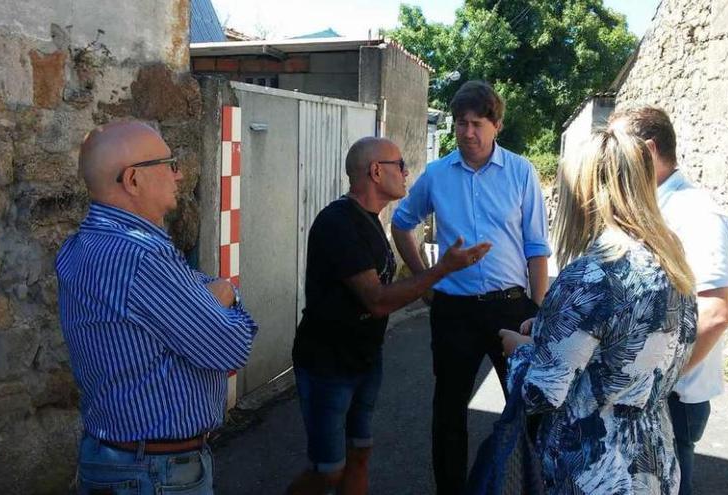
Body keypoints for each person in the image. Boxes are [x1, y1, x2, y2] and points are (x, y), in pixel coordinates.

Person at [56, 121, 258, 494]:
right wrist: (226, 292)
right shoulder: (141, 256)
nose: (179, 174)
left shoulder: (81, 245)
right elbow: (231, 347)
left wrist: (201, 300)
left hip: (117, 459)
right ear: (133, 180)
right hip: (155, 473)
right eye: (168, 163)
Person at [498, 126, 698, 494]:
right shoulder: (672, 261)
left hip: (592, 471)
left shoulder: (590, 276)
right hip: (653, 461)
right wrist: (547, 328)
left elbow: (542, 394)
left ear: (585, 190)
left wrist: (519, 350)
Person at [287, 137, 491, 495]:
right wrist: (440, 271)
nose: (406, 172)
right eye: (399, 164)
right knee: (328, 470)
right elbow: (377, 301)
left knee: (360, 453)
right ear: (376, 171)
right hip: (328, 364)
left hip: (365, 359)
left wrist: (431, 287)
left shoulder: (370, 221)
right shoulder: (339, 223)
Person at [391, 80, 551, 495]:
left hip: (511, 309)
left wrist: (539, 308)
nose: (467, 132)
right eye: (461, 123)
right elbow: (402, 223)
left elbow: (536, 247)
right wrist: (424, 281)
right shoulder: (438, 174)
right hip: (454, 311)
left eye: (477, 123)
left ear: (496, 125)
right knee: (448, 412)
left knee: (529, 405)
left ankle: (533, 485)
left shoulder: (520, 172)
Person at [609, 106, 728, 495]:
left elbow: (715, 313)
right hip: (647, 395)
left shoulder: (695, 213)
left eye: (616, 149)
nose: (607, 161)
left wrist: (655, 381)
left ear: (646, 152)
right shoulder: (653, 207)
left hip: (670, 399)